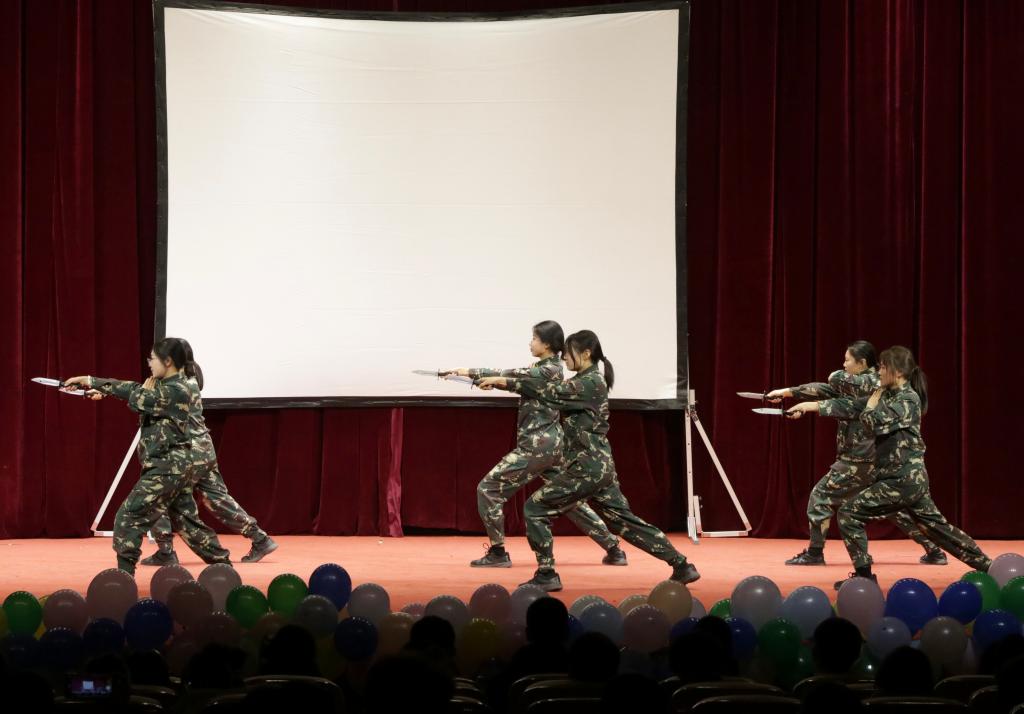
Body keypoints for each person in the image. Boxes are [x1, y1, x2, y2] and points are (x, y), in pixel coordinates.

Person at [477, 329, 698, 591]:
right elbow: (548, 392)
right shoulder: (585, 380)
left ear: (585, 353)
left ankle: (547, 573)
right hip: (597, 467)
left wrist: (504, 382)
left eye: (569, 353)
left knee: (535, 508)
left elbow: (551, 393)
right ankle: (682, 566)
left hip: (586, 468)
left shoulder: (590, 383)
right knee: (623, 521)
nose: (564, 358)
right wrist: (502, 380)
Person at [787, 346, 991, 589]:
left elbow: (872, 422)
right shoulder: (888, 395)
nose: (879, 372)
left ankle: (864, 577)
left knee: (849, 514)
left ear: (898, 372)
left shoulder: (908, 400)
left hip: (903, 479)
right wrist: (808, 406)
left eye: (883, 367)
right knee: (938, 529)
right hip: (900, 478)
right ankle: (988, 566)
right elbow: (851, 406)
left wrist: (872, 402)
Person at [443, 320, 624, 568]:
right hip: (552, 447)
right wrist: (469, 373)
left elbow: (511, 376)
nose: (530, 343)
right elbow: (513, 379)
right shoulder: (545, 369)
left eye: (534, 339)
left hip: (537, 447)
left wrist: (472, 372)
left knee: (488, 489)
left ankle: (498, 552)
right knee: (569, 500)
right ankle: (613, 547)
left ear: (547, 344)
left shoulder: (549, 371)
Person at [766, 340, 944, 566]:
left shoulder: (873, 381)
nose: (843, 365)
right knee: (894, 510)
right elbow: (825, 390)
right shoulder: (856, 383)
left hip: (859, 461)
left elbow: (835, 384)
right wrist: (787, 393)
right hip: (872, 461)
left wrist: (822, 390)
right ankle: (934, 550)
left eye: (847, 360)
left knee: (820, 496)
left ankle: (815, 553)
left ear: (862, 363)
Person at [64, 339, 230, 575]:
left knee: (128, 517)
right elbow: (135, 392)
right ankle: (225, 570)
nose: (149, 363)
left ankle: (123, 578)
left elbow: (139, 398)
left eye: (152, 358)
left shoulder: (178, 389)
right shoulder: (167, 385)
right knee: (189, 524)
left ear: (168, 361)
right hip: (176, 466)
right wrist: (94, 383)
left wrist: (128, 390)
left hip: (168, 467)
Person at [138, 338, 277, 565]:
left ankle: (165, 550)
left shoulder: (173, 386)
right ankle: (259, 538)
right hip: (203, 449)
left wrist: (138, 394)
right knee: (217, 498)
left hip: (183, 452)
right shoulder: (190, 379)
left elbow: (145, 405)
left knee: (157, 495)